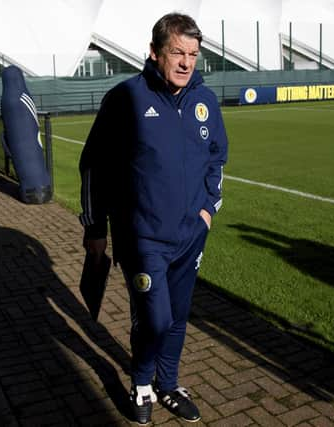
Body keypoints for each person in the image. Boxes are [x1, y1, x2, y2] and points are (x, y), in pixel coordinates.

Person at [79, 12, 228, 425]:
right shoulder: (127, 98)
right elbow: (94, 165)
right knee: (155, 318)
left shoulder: (205, 102)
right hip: (142, 237)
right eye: (177, 52)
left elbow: (218, 155)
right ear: (154, 52)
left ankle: (169, 384)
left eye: (193, 54)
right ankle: (142, 382)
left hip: (191, 235)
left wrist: (207, 210)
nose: (185, 62)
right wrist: (95, 229)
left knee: (177, 318)